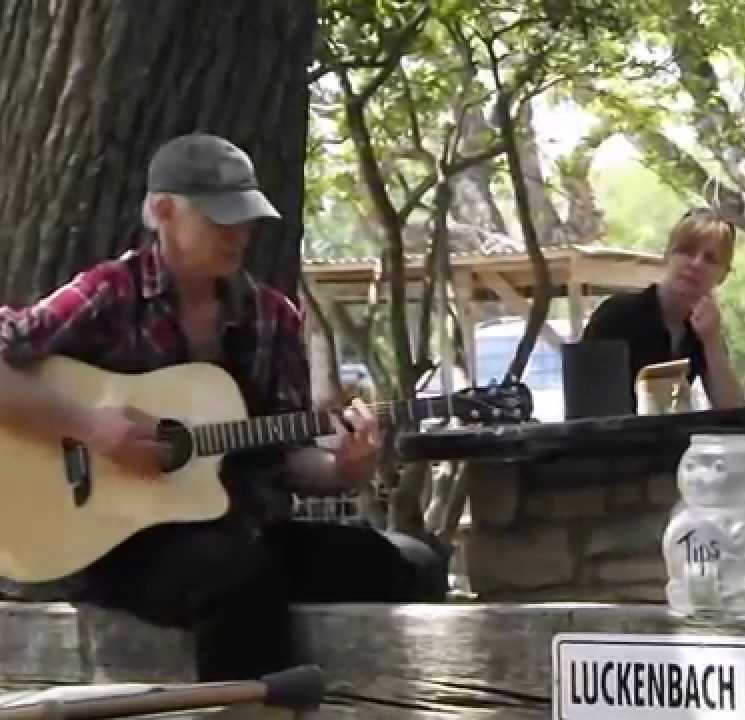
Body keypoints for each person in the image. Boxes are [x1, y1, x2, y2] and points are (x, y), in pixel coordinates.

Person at [0, 133, 449, 680]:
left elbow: (286, 457)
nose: (239, 234)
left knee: (412, 563)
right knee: (236, 577)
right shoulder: (109, 294)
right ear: (163, 211)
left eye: (246, 217)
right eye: (220, 217)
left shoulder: (272, 317)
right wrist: (92, 427)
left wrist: (345, 466)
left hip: (241, 530)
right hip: (113, 542)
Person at [581, 208, 745, 410]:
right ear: (668, 255)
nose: (696, 264)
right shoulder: (616, 315)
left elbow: (733, 411)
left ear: (723, 275)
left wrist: (712, 342)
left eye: (710, 259)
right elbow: (587, 407)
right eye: (687, 251)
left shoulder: (703, 329)